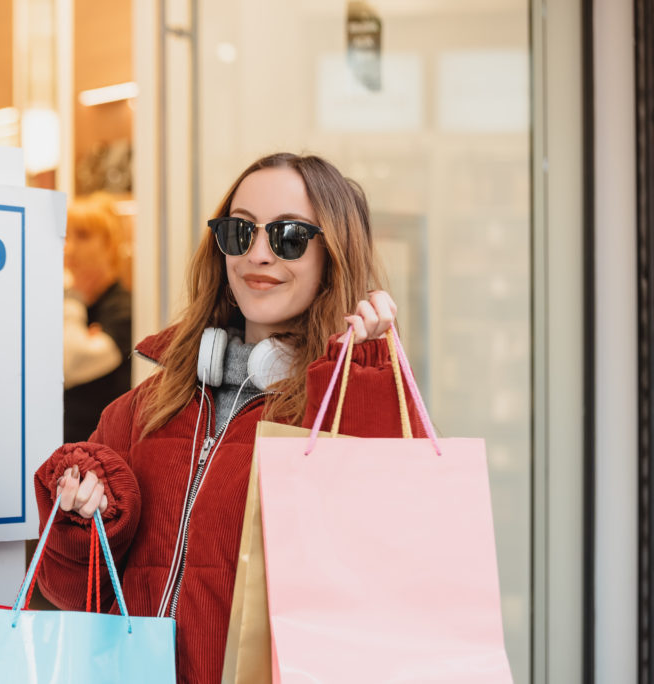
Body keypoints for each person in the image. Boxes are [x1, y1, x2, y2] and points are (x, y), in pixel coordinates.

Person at [33, 153, 425, 682]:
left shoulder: (351, 398)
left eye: (289, 237)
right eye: (240, 232)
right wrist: (83, 523)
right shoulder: (141, 411)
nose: (257, 254)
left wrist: (364, 381)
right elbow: (71, 593)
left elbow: (389, 561)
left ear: (332, 256)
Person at [62, 194, 133, 442]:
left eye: (82, 235)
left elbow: (69, 363)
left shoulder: (123, 309)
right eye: (66, 235)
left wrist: (74, 299)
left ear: (109, 243)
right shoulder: (64, 302)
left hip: (99, 455)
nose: (69, 247)